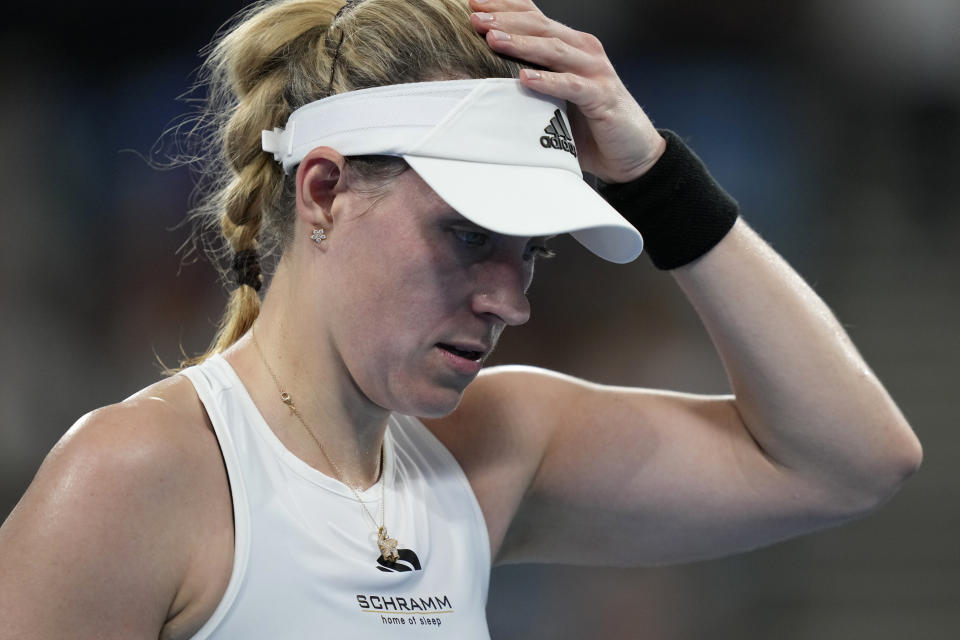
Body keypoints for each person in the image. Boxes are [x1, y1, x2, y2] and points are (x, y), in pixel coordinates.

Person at [0, 0, 922, 638]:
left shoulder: (493, 446)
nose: (511, 299)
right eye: (468, 235)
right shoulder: (132, 477)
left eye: (531, 250)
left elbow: (852, 461)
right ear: (323, 191)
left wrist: (655, 178)